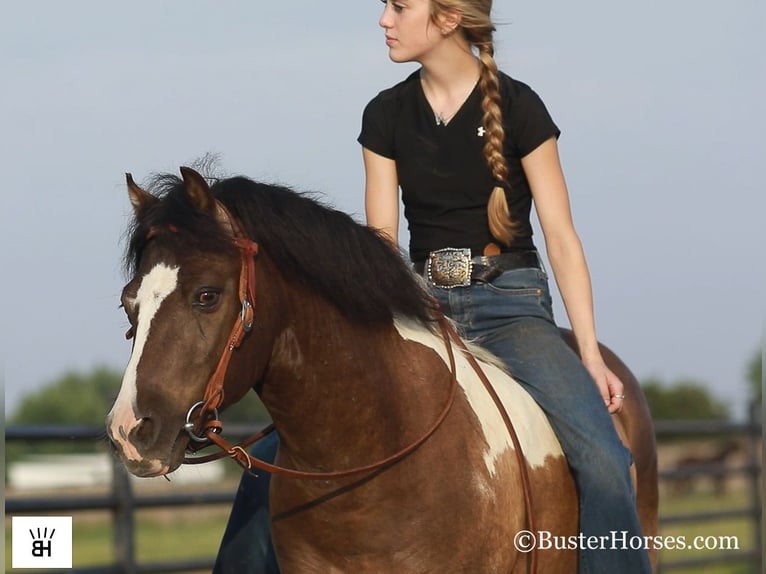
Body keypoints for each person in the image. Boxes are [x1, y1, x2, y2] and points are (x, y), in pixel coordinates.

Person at [214, 1, 652, 572]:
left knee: (603, 459)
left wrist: (590, 354)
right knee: (268, 461)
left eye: (400, 6)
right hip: (419, 307)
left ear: (447, 18)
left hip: (511, 309)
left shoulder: (521, 108)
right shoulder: (385, 114)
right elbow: (379, 245)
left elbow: (562, 238)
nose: (384, 20)